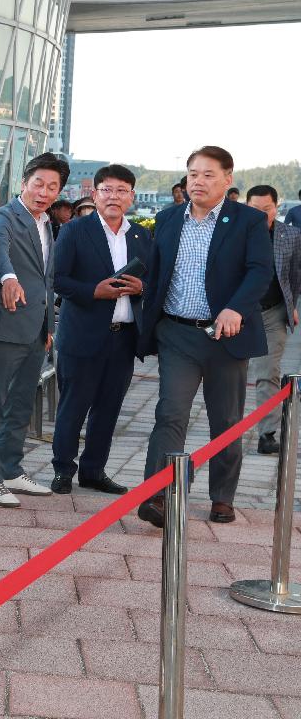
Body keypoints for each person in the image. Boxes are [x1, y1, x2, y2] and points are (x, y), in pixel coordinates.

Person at [136, 146, 272, 528]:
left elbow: (260, 271)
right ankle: (159, 496)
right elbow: (158, 273)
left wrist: (235, 308)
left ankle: (222, 496)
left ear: (228, 180)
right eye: (193, 173)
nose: (198, 180)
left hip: (225, 336)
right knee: (170, 414)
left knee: (226, 420)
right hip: (177, 333)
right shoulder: (167, 219)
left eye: (208, 174)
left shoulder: (247, 220)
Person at [0, 152, 68, 507]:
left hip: (36, 330)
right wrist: (8, 277)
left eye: (52, 186)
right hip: (5, 325)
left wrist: (48, 325)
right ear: (24, 183)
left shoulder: (46, 223)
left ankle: (11, 469)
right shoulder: (4, 217)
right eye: (38, 183)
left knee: (22, 405)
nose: (43, 191)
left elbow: (47, 279)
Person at [49, 165, 152, 495]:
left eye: (122, 190)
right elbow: (59, 280)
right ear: (94, 194)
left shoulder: (141, 235)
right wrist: (94, 291)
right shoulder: (75, 230)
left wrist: (143, 288)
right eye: (107, 189)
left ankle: (93, 470)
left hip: (123, 336)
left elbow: (156, 281)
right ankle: (63, 468)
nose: (114, 196)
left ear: (131, 198)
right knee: (74, 405)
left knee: (109, 408)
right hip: (82, 335)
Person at [243, 185, 301, 454]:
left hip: (274, 312)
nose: (261, 214)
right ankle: (225, 430)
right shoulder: (234, 234)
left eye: (266, 209)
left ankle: (267, 434)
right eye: (255, 209)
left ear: (277, 207)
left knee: (269, 373)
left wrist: (292, 305)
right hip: (239, 313)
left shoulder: (291, 235)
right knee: (229, 374)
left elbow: (294, 274)